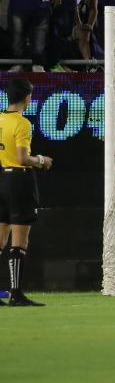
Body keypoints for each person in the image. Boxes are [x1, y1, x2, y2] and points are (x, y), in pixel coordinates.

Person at [0, 77, 52, 307]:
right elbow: (22, 158)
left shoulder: (0, 119)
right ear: (27, 97)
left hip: (1, 177)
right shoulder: (22, 123)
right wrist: (41, 160)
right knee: (19, 241)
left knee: (0, 239)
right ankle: (16, 294)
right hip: (19, 181)